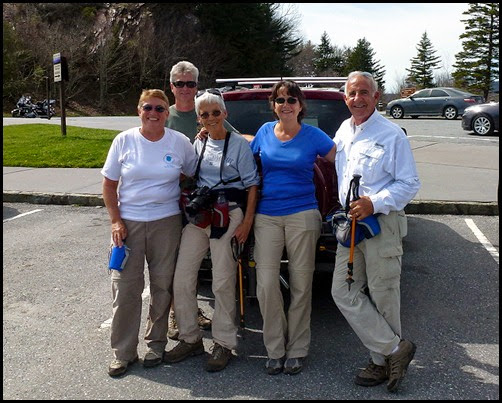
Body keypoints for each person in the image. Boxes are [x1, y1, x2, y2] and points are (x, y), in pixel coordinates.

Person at [330, 71, 420, 393]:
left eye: (364, 92)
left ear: (377, 96)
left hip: (382, 223)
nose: (358, 98)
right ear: (346, 98)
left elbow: (410, 183)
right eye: (352, 93)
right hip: (351, 227)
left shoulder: (392, 135)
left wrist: (375, 202)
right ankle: (396, 350)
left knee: (384, 295)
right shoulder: (343, 130)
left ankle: (380, 363)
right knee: (343, 291)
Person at [102, 89, 198, 377]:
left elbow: (191, 172)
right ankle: (123, 352)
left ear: (167, 114)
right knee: (125, 288)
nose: (153, 113)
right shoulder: (124, 140)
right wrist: (116, 221)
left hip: (166, 222)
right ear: (139, 110)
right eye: (148, 108)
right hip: (127, 223)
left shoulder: (179, 142)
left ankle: (155, 344)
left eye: (159, 108)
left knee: (162, 286)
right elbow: (109, 185)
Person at [163, 90, 260, 372]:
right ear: (198, 119)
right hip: (203, 213)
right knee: (182, 277)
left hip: (229, 212)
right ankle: (190, 337)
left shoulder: (239, 146)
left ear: (225, 115)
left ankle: (223, 342)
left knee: (222, 280)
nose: (210, 118)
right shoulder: (198, 143)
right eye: (204, 114)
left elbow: (252, 184)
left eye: (215, 113)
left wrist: (246, 222)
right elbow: (188, 173)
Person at [249, 80, 336, 375]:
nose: (285, 104)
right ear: (273, 105)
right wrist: (210, 133)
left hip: (303, 215)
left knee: (301, 284)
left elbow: (343, 156)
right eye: (280, 99)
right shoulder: (263, 132)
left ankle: (297, 349)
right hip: (267, 216)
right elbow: (243, 148)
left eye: (291, 99)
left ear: (300, 105)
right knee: (265, 283)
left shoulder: (314, 135)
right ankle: (275, 348)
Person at [165, 60, 238, 339]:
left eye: (191, 83)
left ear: (197, 86)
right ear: (172, 86)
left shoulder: (206, 112)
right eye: (180, 83)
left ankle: (191, 312)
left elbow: (232, 137)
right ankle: (176, 314)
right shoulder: (163, 114)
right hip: (170, 200)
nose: (185, 88)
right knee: (174, 262)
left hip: (202, 201)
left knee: (193, 262)